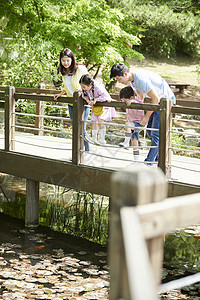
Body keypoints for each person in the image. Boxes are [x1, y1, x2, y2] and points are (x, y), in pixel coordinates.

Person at [110, 63, 176, 164]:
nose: (119, 82)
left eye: (119, 79)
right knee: (150, 131)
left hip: (165, 101)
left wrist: (146, 116)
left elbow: (155, 98)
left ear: (125, 74)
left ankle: (148, 162)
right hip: (156, 102)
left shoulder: (140, 80)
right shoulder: (132, 80)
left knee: (155, 133)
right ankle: (157, 157)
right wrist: (132, 101)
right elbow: (141, 97)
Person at [54, 48, 90, 151]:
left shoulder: (80, 69)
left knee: (81, 128)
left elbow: (90, 83)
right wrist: (60, 94)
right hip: (71, 102)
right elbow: (67, 87)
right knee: (75, 128)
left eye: (67, 60)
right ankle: (77, 152)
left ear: (72, 60)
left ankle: (86, 151)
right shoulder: (63, 72)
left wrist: (81, 89)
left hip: (82, 103)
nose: (65, 63)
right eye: (63, 60)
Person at [79, 74, 116, 145]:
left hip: (103, 106)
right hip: (96, 107)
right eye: (82, 87)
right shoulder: (86, 89)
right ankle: (94, 137)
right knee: (93, 120)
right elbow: (84, 95)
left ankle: (102, 139)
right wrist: (88, 101)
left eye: (84, 87)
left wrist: (96, 99)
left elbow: (106, 97)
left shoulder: (98, 87)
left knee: (100, 120)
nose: (83, 88)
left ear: (90, 84)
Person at [119, 86, 145, 163]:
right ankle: (136, 161)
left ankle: (126, 142)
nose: (124, 102)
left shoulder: (137, 101)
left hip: (139, 124)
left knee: (127, 124)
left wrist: (133, 101)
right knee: (134, 142)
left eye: (124, 101)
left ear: (131, 97)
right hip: (132, 124)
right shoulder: (127, 103)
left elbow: (140, 104)